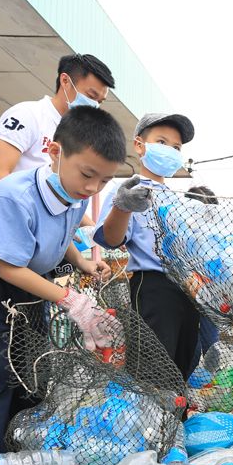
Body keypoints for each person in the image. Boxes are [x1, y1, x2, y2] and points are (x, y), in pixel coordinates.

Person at [0, 107, 126, 458]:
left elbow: (62, 236)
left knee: (27, 372)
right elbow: (8, 268)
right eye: (88, 174)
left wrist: (81, 261)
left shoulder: (74, 196)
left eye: (104, 181)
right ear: (56, 153)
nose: (92, 187)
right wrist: (73, 302)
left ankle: (22, 455)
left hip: (30, 284)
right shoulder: (17, 195)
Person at [93, 112, 202, 380]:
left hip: (189, 293)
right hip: (153, 288)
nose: (170, 151)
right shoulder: (128, 189)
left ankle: (176, 417)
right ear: (140, 145)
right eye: (162, 142)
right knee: (154, 368)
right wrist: (123, 207)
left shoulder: (178, 199)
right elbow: (110, 239)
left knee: (184, 365)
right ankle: (154, 420)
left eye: (176, 148)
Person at [0, 53, 116, 185]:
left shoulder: (82, 135)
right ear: (65, 81)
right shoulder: (28, 114)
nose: (95, 105)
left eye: (100, 101)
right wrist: (32, 205)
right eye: (91, 95)